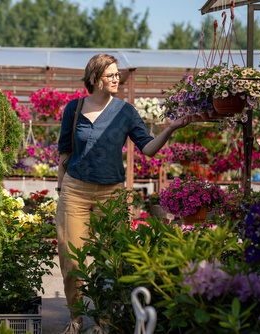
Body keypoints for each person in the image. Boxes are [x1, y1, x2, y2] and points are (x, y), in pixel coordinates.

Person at [55, 54, 191, 334]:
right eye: (110, 75)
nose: (116, 78)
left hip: (112, 194)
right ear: (94, 78)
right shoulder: (74, 108)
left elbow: (149, 149)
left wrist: (170, 128)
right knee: (70, 256)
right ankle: (77, 318)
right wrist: (61, 188)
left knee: (112, 258)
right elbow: (65, 152)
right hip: (75, 190)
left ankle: (106, 321)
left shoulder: (125, 111)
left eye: (117, 74)